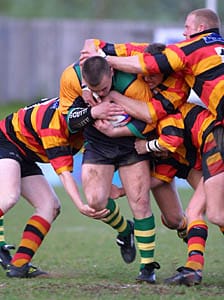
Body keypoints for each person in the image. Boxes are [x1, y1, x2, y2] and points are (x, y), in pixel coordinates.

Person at [80, 8, 224, 236]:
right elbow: (90, 44)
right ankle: (191, 248)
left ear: (200, 29)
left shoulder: (178, 83)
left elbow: (150, 115)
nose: (147, 79)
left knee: (213, 211)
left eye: (187, 27)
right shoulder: (142, 52)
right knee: (176, 219)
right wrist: (88, 85)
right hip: (165, 153)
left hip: (187, 152)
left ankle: (193, 262)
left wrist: (114, 95)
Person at [61, 55, 190, 283]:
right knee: (96, 202)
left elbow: (150, 120)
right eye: (94, 90)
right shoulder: (70, 77)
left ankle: (147, 266)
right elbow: (69, 122)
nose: (100, 94)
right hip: (98, 145)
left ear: (111, 72)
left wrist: (118, 130)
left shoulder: (134, 83)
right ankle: (124, 230)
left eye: (103, 88)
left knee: (140, 202)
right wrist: (93, 113)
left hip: (132, 144)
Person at [0, 96, 111, 278]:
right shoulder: (54, 126)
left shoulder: (83, 109)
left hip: (26, 151)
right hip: (5, 140)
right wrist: (81, 205)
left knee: (50, 206)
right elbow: (64, 174)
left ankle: (18, 266)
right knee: (9, 197)